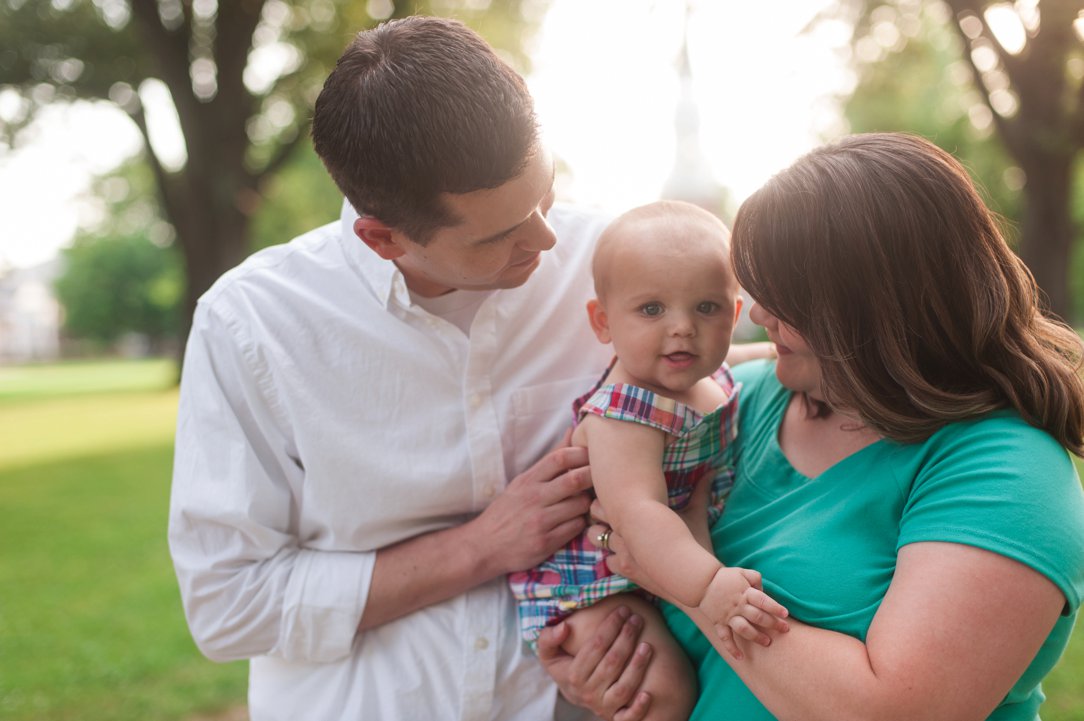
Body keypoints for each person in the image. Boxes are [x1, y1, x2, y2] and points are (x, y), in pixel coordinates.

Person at [168, 16, 619, 721]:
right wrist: (480, 546)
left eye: (547, 193)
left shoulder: (613, 264)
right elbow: (228, 605)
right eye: (502, 234)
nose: (548, 237)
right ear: (382, 238)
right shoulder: (252, 325)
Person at [543, 132, 1084, 720]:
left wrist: (688, 580)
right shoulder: (733, 404)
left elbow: (899, 713)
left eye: (784, 296)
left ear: (872, 309)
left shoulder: (1006, 469)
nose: (755, 314)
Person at [510, 201, 790, 720]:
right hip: (595, 581)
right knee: (659, 693)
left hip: (664, 563)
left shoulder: (699, 374)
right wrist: (709, 588)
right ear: (603, 321)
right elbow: (639, 515)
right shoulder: (626, 415)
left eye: (705, 308)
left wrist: (782, 352)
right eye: (652, 310)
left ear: (733, 314)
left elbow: (744, 360)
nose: (682, 328)